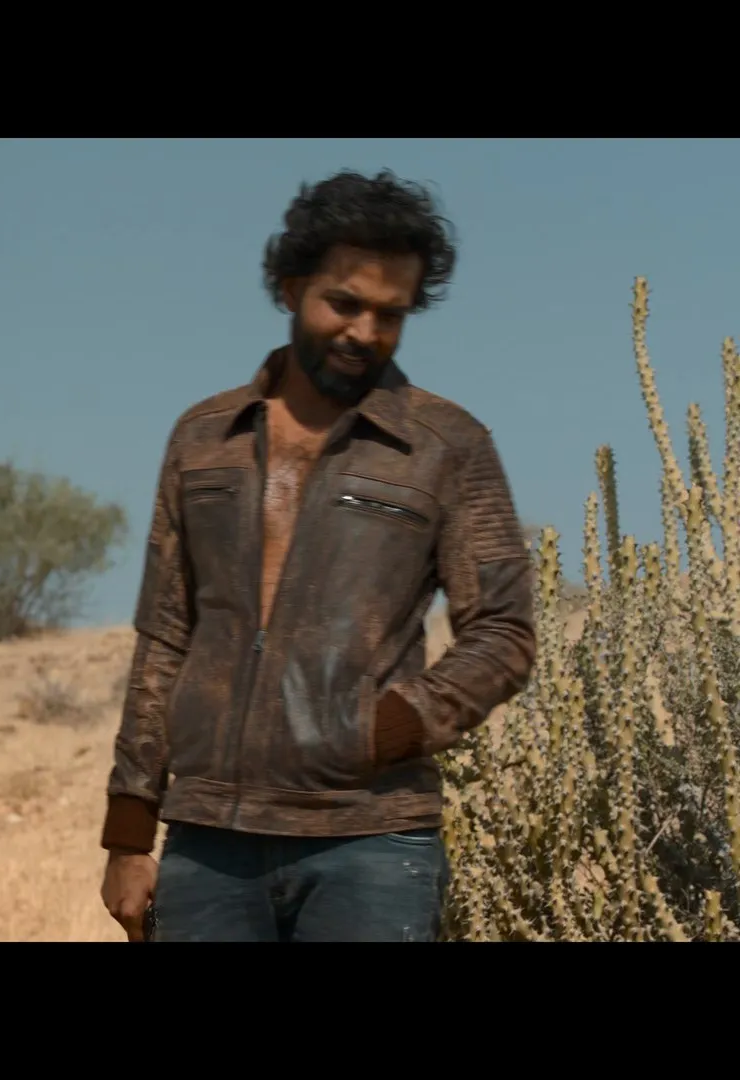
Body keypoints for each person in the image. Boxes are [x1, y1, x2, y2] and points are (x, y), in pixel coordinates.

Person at [97, 169, 536, 942]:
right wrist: (129, 833)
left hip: (371, 841)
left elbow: (504, 633)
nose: (365, 331)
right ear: (291, 286)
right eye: (345, 303)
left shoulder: (447, 446)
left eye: (390, 314)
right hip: (207, 841)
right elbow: (164, 639)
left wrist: (382, 731)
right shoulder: (202, 440)